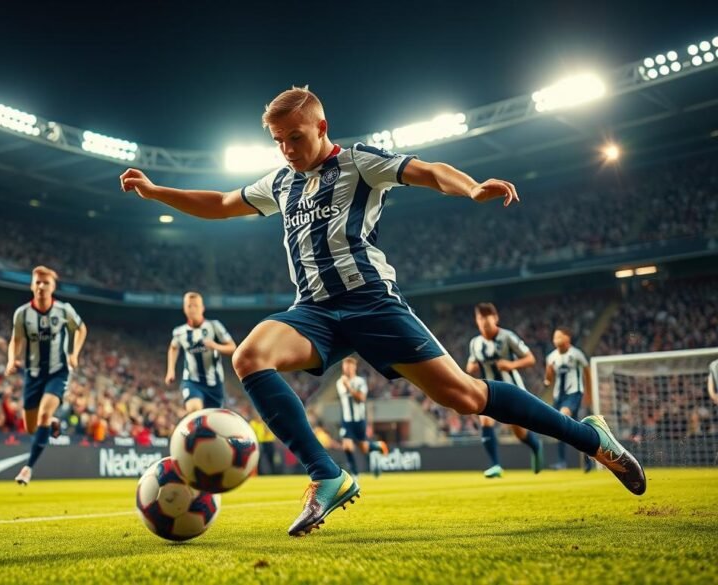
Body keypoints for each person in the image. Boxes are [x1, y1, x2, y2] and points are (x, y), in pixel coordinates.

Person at [120, 86, 645, 536]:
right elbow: (220, 203)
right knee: (250, 356)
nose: (286, 150)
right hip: (313, 312)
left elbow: (429, 170)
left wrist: (471, 188)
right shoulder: (279, 183)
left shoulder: (358, 162)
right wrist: (155, 191)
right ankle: (327, 475)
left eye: (295, 138)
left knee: (464, 395)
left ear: (321, 126)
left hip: (371, 304)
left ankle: (590, 437)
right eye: (277, 142)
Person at [6, 266, 87, 487]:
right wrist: (12, 359)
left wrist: (74, 353)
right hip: (33, 375)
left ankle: (27, 468)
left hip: (57, 372)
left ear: (53, 287)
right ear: (32, 285)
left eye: (46, 283)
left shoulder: (63, 310)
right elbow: (16, 339)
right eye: (38, 282)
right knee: (31, 428)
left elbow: (81, 329)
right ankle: (52, 422)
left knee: (42, 416)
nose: (41, 286)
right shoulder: (22, 314)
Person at [466, 303, 544, 478]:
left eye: (487, 317)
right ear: (477, 321)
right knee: (485, 421)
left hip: (512, 389)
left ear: (495, 318)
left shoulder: (507, 337)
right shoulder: (475, 343)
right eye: (480, 317)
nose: (484, 321)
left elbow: (530, 359)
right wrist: (472, 367)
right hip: (487, 390)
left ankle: (535, 445)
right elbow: (470, 364)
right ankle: (495, 465)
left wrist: (511, 364)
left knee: (518, 431)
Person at [165, 291, 236, 412]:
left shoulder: (214, 326)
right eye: (189, 306)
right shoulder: (180, 331)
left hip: (215, 383)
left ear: (202, 308)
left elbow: (232, 347)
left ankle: (204, 430)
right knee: (194, 410)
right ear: (184, 309)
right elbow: (173, 347)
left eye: (196, 305)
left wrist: (215, 346)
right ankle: (196, 429)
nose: (192, 309)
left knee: (213, 420)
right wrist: (170, 370)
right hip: (192, 381)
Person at [544, 327, 593, 471]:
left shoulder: (576, 354)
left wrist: (588, 394)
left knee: (562, 419)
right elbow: (548, 380)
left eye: (559, 337)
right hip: (558, 396)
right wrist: (548, 373)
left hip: (574, 393)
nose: (556, 340)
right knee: (572, 428)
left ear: (567, 338)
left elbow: (587, 372)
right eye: (554, 337)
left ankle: (563, 462)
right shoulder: (551, 357)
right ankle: (583, 460)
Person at [335, 357, 370, 480]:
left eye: (349, 366)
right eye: (345, 367)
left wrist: (349, 386)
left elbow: (361, 399)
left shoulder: (360, 381)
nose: (347, 369)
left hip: (359, 420)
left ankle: (374, 456)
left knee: (364, 448)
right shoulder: (340, 382)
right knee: (347, 446)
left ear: (354, 367)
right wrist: (347, 385)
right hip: (347, 420)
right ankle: (354, 472)